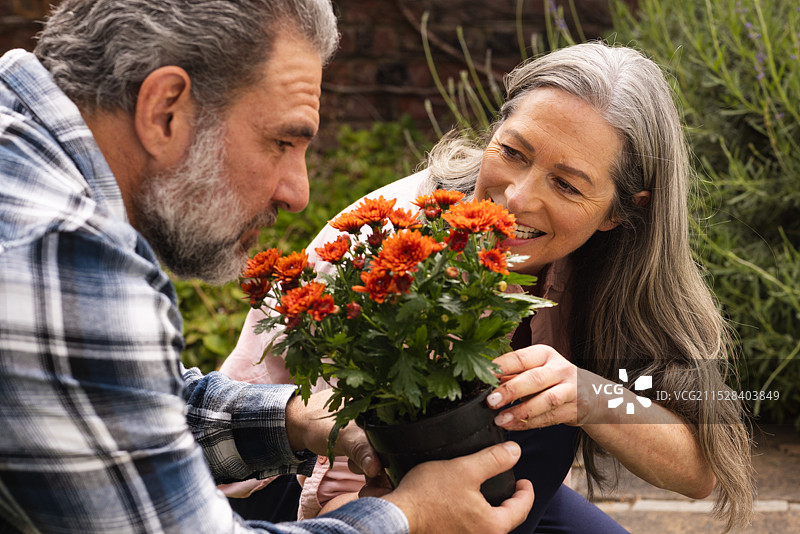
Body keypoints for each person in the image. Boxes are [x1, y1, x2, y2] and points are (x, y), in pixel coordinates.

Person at [0, 0, 536, 532]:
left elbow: (111, 406)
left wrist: (293, 419)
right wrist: (410, 515)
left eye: (569, 184)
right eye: (282, 141)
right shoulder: (61, 252)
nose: (299, 194)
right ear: (165, 110)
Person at [223, 42, 755, 532]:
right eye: (514, 153)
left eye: (566, 184)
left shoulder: (621, 274)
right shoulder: (387, 247)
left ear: (621, 211)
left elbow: (700, 469)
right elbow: (342, 488)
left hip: (500, 488)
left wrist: (591, 396)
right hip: (295, 495)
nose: (517, 198)